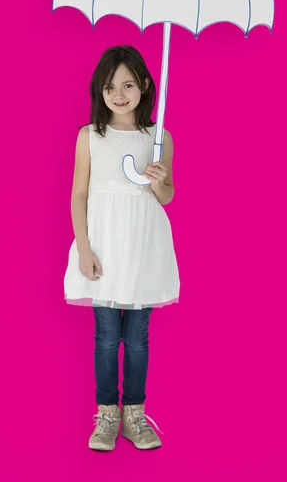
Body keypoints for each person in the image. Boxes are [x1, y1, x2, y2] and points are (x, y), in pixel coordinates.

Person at [64, 45, 180, 451]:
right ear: (100, 90)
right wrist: (83, 248)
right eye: (110, 86)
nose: (119, 94)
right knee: (107, 336)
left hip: (144, 245)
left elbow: (165, 197)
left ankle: (135, 413)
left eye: (128, 84)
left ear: (144, 86)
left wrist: (158, 178)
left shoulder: (159, 135)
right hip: (105, 246)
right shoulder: (90, 136)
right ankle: (107, 416)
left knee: (139, 336)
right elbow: (79, 194)